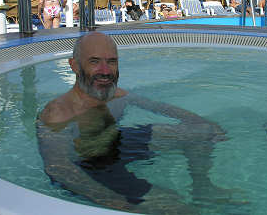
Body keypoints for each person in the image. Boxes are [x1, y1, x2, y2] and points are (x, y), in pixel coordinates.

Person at [37, 32, 244, 214]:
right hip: (93, 166)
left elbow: (159, 107)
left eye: (111, 61)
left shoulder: (115, 94)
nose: (105, 70)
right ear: (74, 66)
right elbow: (59, 168)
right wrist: (120, 203)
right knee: (173, 206)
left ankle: (203, 189)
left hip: (119, 142)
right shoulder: (58, 113)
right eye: (94, 61)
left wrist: (204, 123)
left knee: (201, 132)